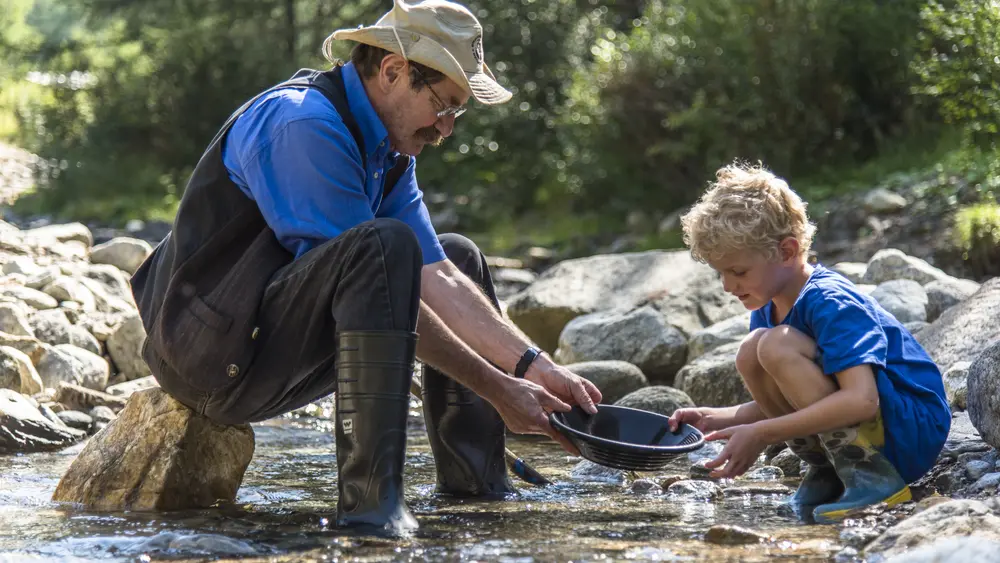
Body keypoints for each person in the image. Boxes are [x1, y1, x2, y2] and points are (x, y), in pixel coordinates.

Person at [130, 0, 601, 536]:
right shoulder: (302, 124)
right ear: (393, 70)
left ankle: (477, 489)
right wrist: (498, 389)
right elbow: (377, 276)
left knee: (459, 255)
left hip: (264, 343)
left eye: (457, 112)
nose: (447, 129)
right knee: (382, 245)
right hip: (211, 362)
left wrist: (535, 367)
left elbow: (440, 276)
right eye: (443, 105)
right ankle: (371, 513)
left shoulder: (390, 148)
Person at [668, 162, 950, 523]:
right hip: (874, 421)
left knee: (772, 346)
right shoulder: (768, 307)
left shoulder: (830, 302)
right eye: (720, 273)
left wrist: (763, 433)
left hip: (909, 429)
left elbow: (861, 400)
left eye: (738, 272)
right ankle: (830, 471)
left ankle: (872, 477)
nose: (727, 286)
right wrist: (714, 418)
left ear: (787, 251)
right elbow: (798, 397)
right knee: (752, 351)